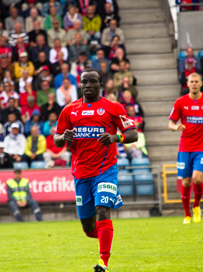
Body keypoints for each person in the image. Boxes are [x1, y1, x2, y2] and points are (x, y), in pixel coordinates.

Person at [54, 68, 138, 271]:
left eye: (93, 81)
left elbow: (133, 134)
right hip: (81, 173)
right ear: (80, 85)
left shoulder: (112, 108)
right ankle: (104, 235)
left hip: (105, 169)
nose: (88, 85)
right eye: (84, 82)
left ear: (101, 85)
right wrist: (63, 138)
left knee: (102, 210)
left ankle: (103, 261)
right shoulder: (69, 110)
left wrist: (116, 137)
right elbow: (57, 139)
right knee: (88, 227)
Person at [169, 72, 203, 224]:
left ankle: (196, 206)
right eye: (192, 82)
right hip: (185, 147)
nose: (194, 84)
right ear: (188, 83)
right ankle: (187, 214)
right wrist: (176, 127)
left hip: (202, 147)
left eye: (197, 81)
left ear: (201, 83)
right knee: (185, 182)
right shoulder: (180, 102)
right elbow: (170, 123)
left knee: (197, 178)